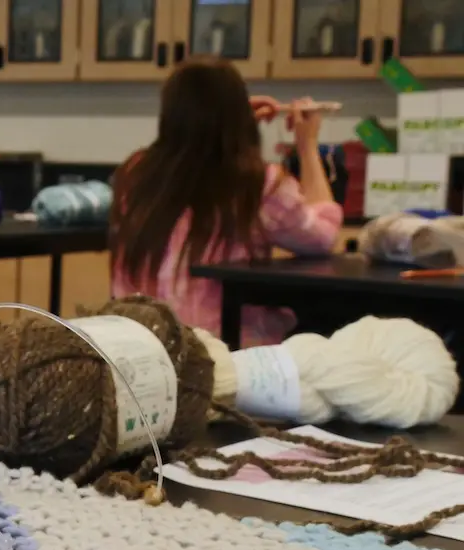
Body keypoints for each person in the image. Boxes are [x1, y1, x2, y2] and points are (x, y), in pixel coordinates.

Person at [109, 57, 343, 348]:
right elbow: (321, 236)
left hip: (137, 349)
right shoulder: (258, 184)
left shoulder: (135, 173)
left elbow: (199, 157)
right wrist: (307, 146)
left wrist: (231, 127)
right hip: (225, 354)